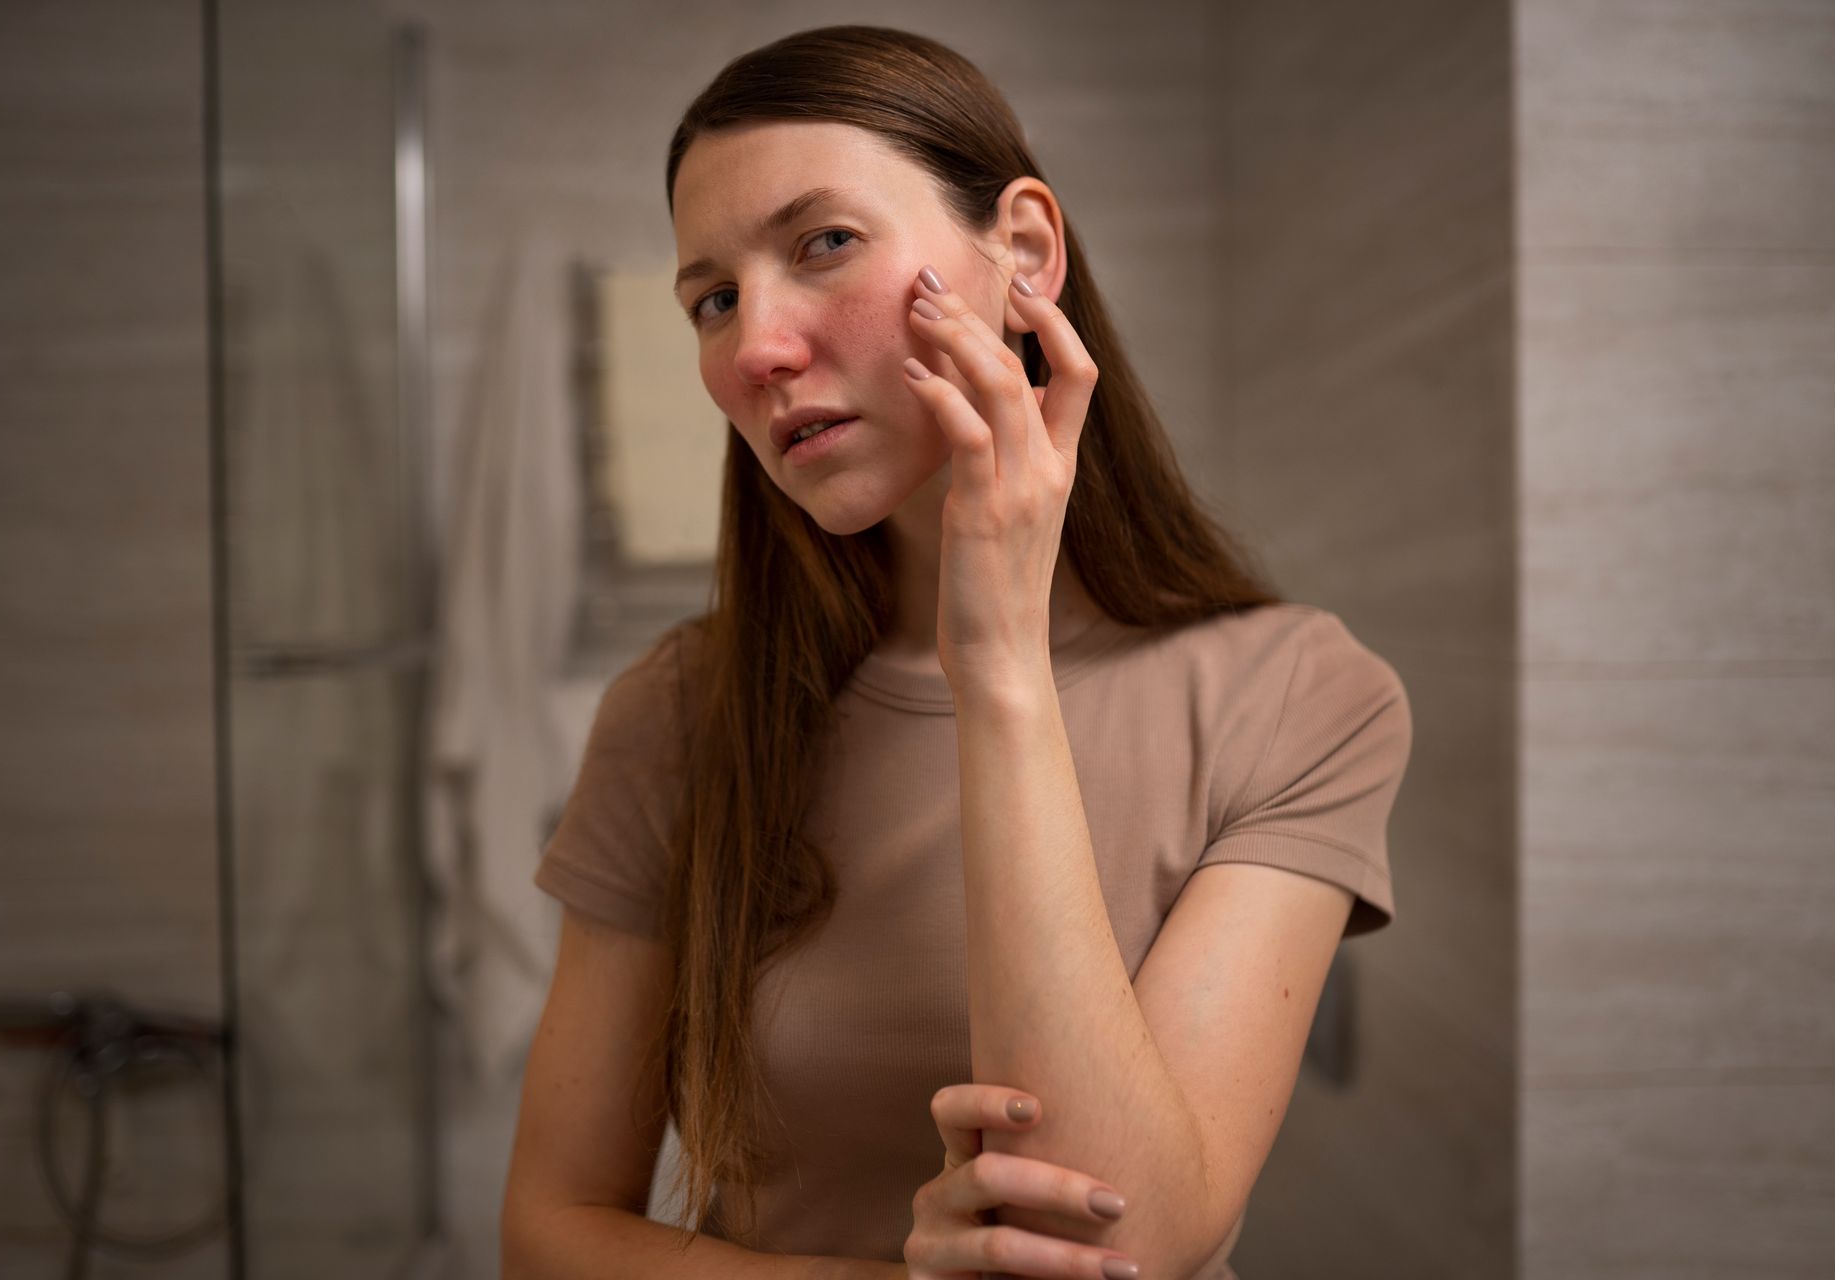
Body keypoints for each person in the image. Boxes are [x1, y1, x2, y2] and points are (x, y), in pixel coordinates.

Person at [501, 24, 1412, 1280]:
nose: (756, 347)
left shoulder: (1297, 695)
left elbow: (1126, 1241)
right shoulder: (684, 712)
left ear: (1023, 253)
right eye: (713, 298)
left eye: (824, 243)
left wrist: (998, 666)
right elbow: (548, 1234)